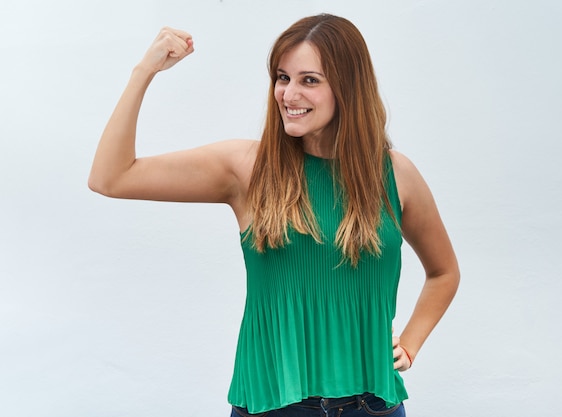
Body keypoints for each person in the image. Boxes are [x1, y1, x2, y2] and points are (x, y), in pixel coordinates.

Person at [89, 13, 459, 417]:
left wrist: (410, 344)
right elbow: (111, 177)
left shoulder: (394, 174)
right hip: (273, 405)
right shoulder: (247, 168)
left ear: (349, 87)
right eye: (282, 78)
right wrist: (145, 71)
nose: (288, 94)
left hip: (372, 404)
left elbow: (444, 272)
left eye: (309, 80)